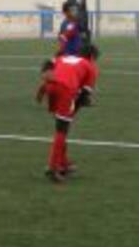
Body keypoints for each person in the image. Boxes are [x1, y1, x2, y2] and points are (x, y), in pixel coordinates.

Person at [35, 43, 99, 182]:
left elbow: (48, 65)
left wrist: (42, 89)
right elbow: (84, 96)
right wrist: (77, 108)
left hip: (50, 87)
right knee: (62, 129)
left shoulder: (64, 58)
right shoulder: (90, 66)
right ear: (92, 57)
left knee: (61, 127)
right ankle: (53, 167)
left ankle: (63, 162)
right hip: (66, 90)